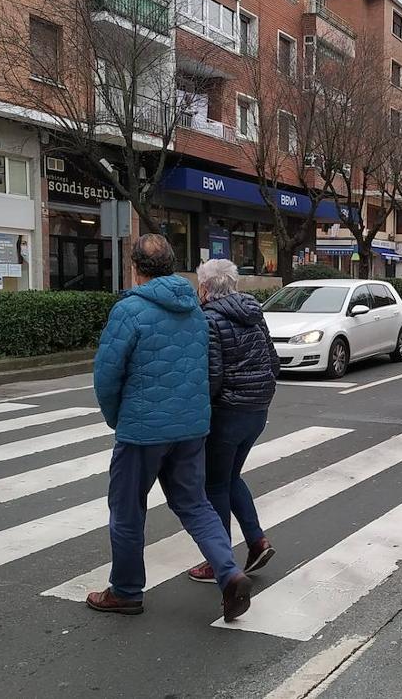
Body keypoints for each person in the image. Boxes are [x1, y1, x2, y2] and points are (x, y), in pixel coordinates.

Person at [87, 234, 253, 622]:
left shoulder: (129, 310)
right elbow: (206, 367)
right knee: (194, 503)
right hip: (191, 427)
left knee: (127, 510)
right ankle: (229, 573)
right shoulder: (195, 309)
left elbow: (106, 375)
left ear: (135, 268)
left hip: (142, 431)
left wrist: (118, 419)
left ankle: (126, 591)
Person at [187, 260, 280, 583]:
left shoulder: (209, 320)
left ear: (205, 288)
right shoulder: (254, 314)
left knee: (214, 483)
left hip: (227, 412)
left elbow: (212, 375)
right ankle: (256, 541)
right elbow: (273, 360)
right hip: (257, 409)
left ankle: (218, 560)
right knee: (230, 477)